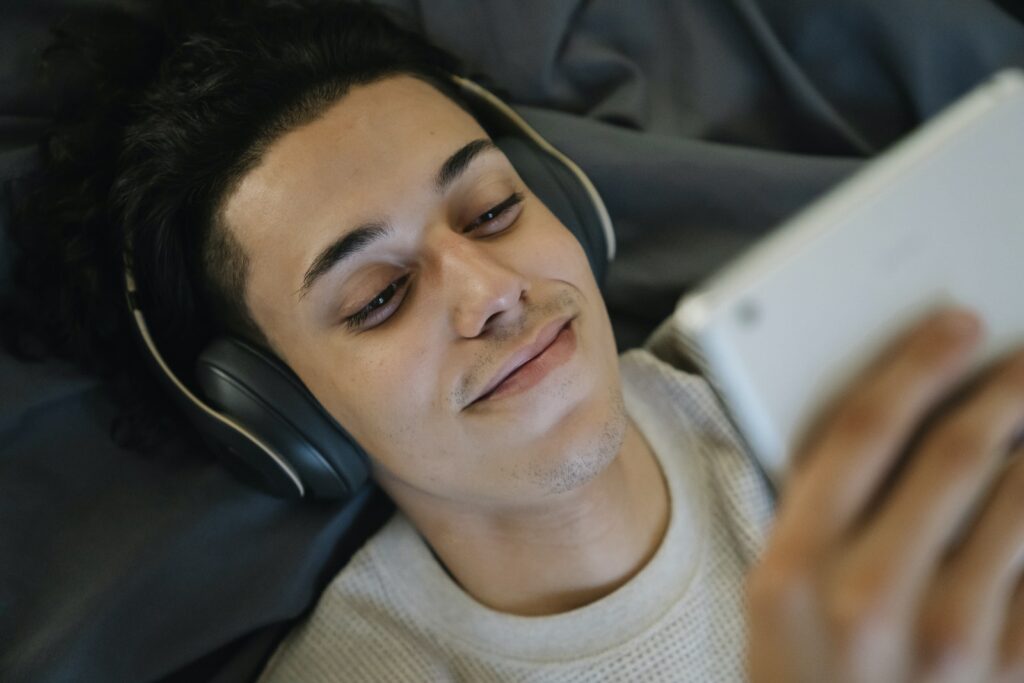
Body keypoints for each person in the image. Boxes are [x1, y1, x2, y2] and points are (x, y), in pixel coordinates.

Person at [3, 1, 1023, 681]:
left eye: (492, 209)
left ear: (566, 205)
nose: (492, 291)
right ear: (284, 417)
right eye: (379, 296)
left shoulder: (844, 381)